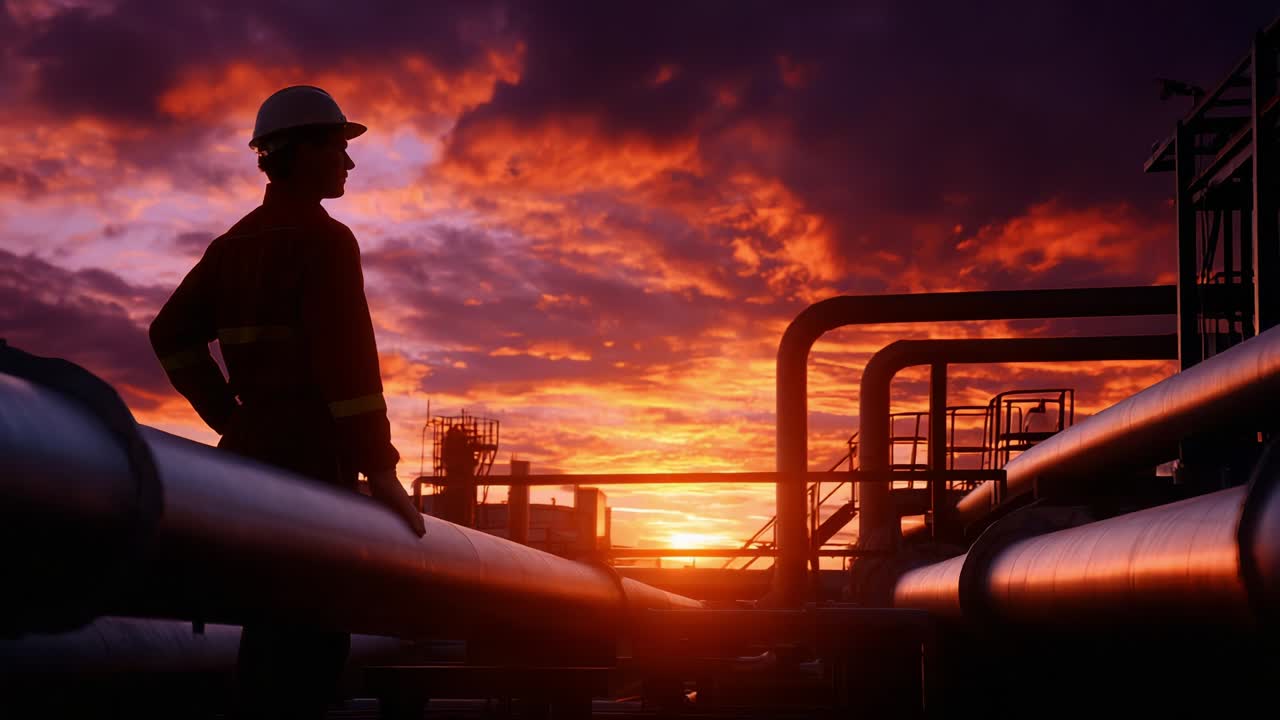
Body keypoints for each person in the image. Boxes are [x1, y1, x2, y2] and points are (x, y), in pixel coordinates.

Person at [149, 85, 425, 719]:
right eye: (337, 148)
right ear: (298, 153)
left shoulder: (233, 245)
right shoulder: (326, 242)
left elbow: (170, 336)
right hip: (314, 468)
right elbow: (349, 370)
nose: (349, 164)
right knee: (312, 634)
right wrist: (380, 469)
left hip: (252, 465)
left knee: (266, 626)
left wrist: (232, 420)